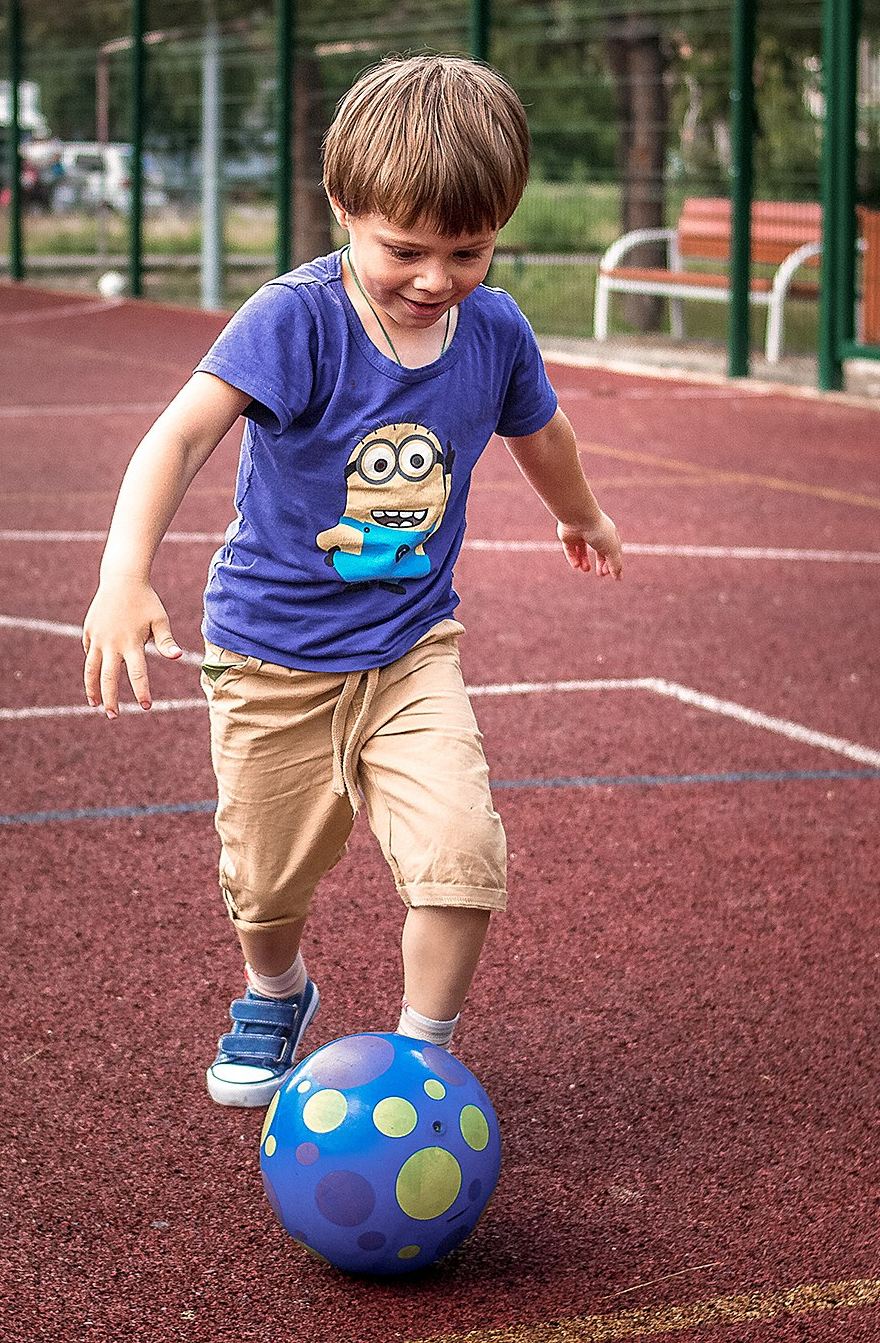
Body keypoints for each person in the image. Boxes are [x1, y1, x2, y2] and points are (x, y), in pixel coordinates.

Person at [81, 54, 624, 1108]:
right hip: (270, 657)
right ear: (342, 208)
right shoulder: (297, 318)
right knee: (266, 886)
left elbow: (541, 430)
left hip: (410, 651)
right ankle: (275, 989)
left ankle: (421, 1057)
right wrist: (123, 573)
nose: (435, 279)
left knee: (460, 853)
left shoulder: (495, 329)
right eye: (405, 249)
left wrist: (579, 511)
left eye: (467, 250)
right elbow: (180, 432)